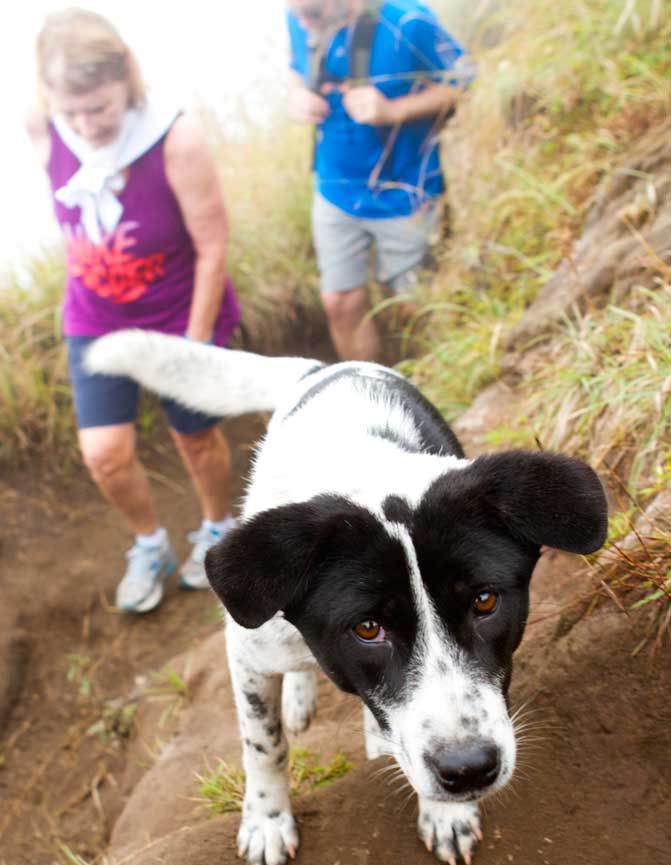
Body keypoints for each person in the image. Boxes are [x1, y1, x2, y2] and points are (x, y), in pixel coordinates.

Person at [25, 7, 241, 614]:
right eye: (72, 112)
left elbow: (212, 244)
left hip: (178, 315)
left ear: (127, 79)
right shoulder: (45, 127)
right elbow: (46, 102)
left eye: (100, 108)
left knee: (195, 439)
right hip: (94, 315)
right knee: (104, 454)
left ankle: (218, 528)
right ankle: (149, 544)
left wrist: (193, 346)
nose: (87, 126)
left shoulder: (174, 139)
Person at [287, 0, 473, 361]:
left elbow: (462, 80)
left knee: (414, 308)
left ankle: (432, 388)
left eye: (312, 15)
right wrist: (297, 94)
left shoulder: (407, 20)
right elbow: (295, 65)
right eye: (296, 15)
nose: (303, 23)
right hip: (333, 190)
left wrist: (394, 110)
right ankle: (366, 399)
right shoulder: (301, 12)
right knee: (341, 303)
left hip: (405, 192)